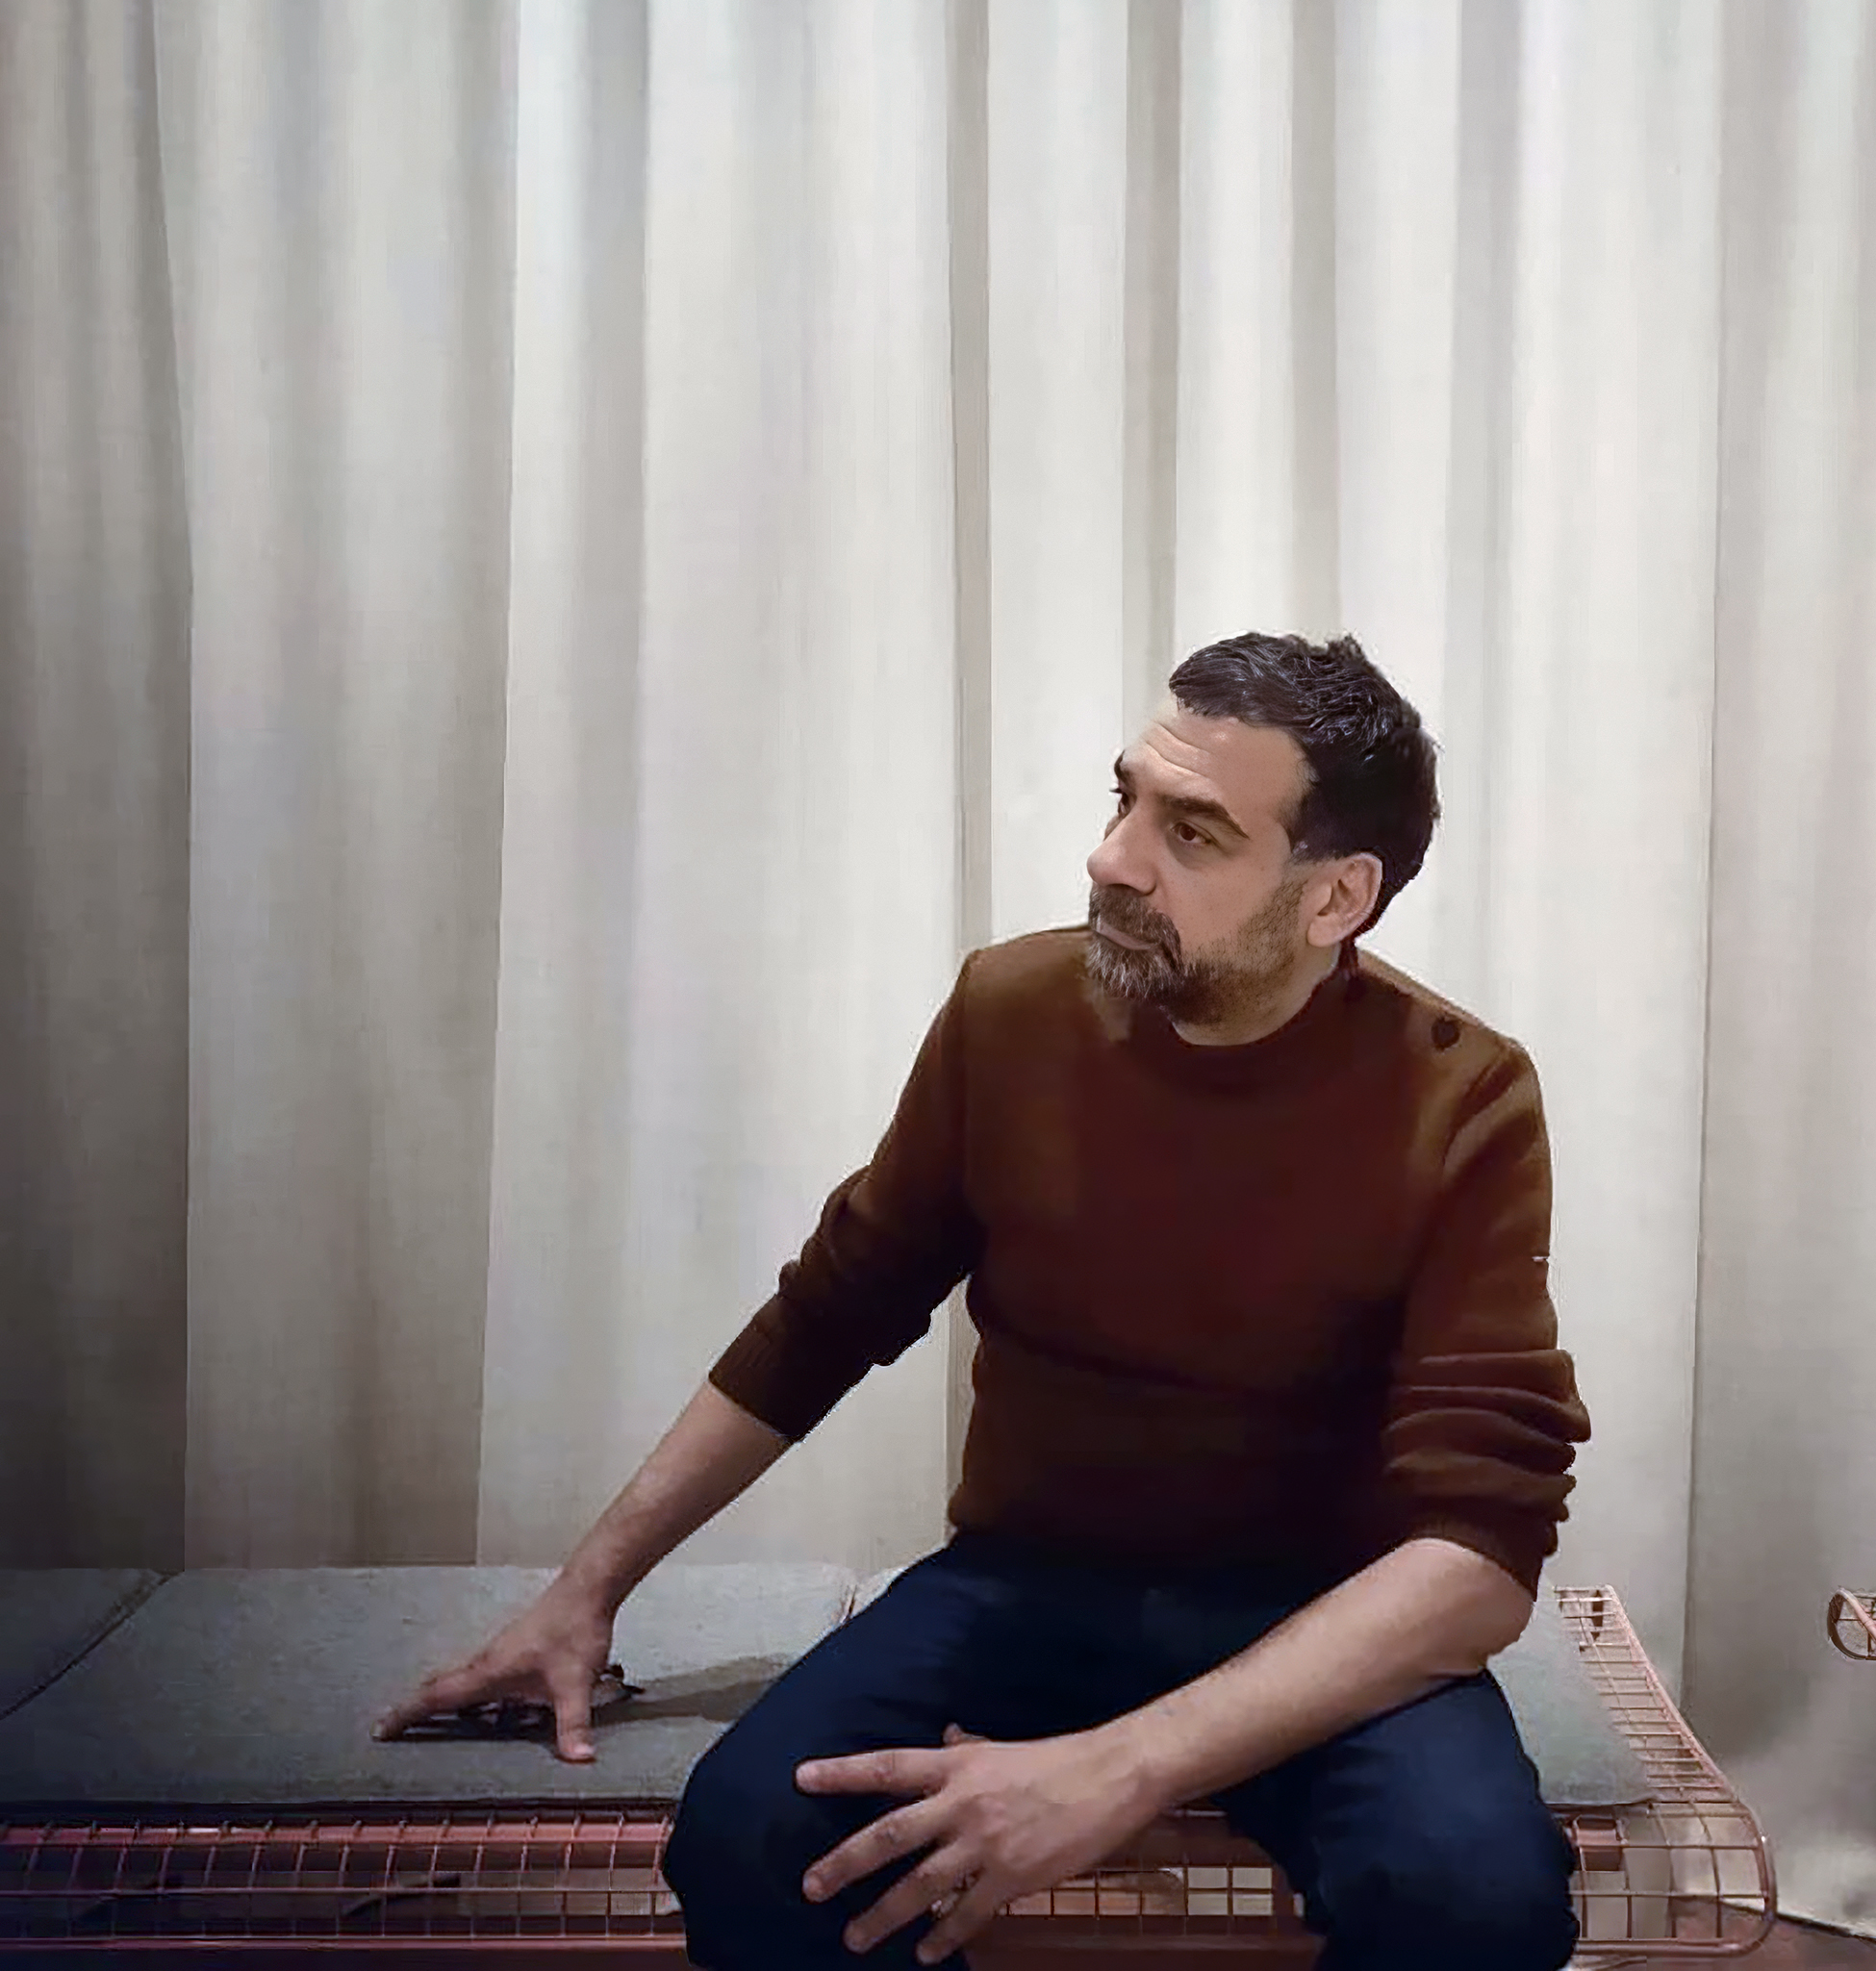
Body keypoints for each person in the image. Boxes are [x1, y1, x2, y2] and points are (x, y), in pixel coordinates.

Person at [374, 631, 1590, 1971]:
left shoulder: (1461, 1096)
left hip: (1319, 1616)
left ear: (1334, 898)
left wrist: (1118, 1767)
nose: (1113, 858)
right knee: (750, 1836)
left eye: (1191, 831)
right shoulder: (1010, 1012)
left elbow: (1478, 1554)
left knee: (1476, 1900)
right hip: (1031, 1583)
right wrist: (586, 1591)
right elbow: (830, 1313)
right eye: (1123, 799)